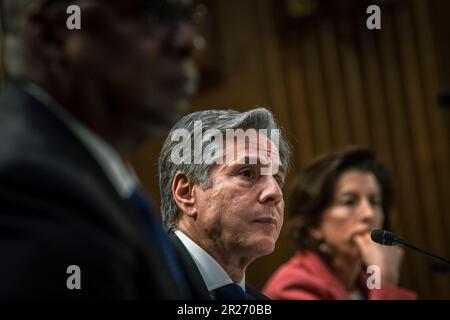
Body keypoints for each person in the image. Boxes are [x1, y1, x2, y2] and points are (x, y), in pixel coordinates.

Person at [0, 0, 203, 298]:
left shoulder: (85, 166)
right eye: (152, 14)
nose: (190, 41)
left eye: (188, 16)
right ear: (53, 35)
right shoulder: (33, 185)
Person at [158, 107, 291, 299]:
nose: (275, 193)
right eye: (247, 173)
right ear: (186, 193)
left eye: (278, 180)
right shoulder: (139, 279)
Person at [263, 147, 417, 300]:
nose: (369, 214)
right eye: (349, 202)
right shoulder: (292, 286)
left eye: (374, 201)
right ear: (314, 224)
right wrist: (385, 282)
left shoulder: (362, 283)